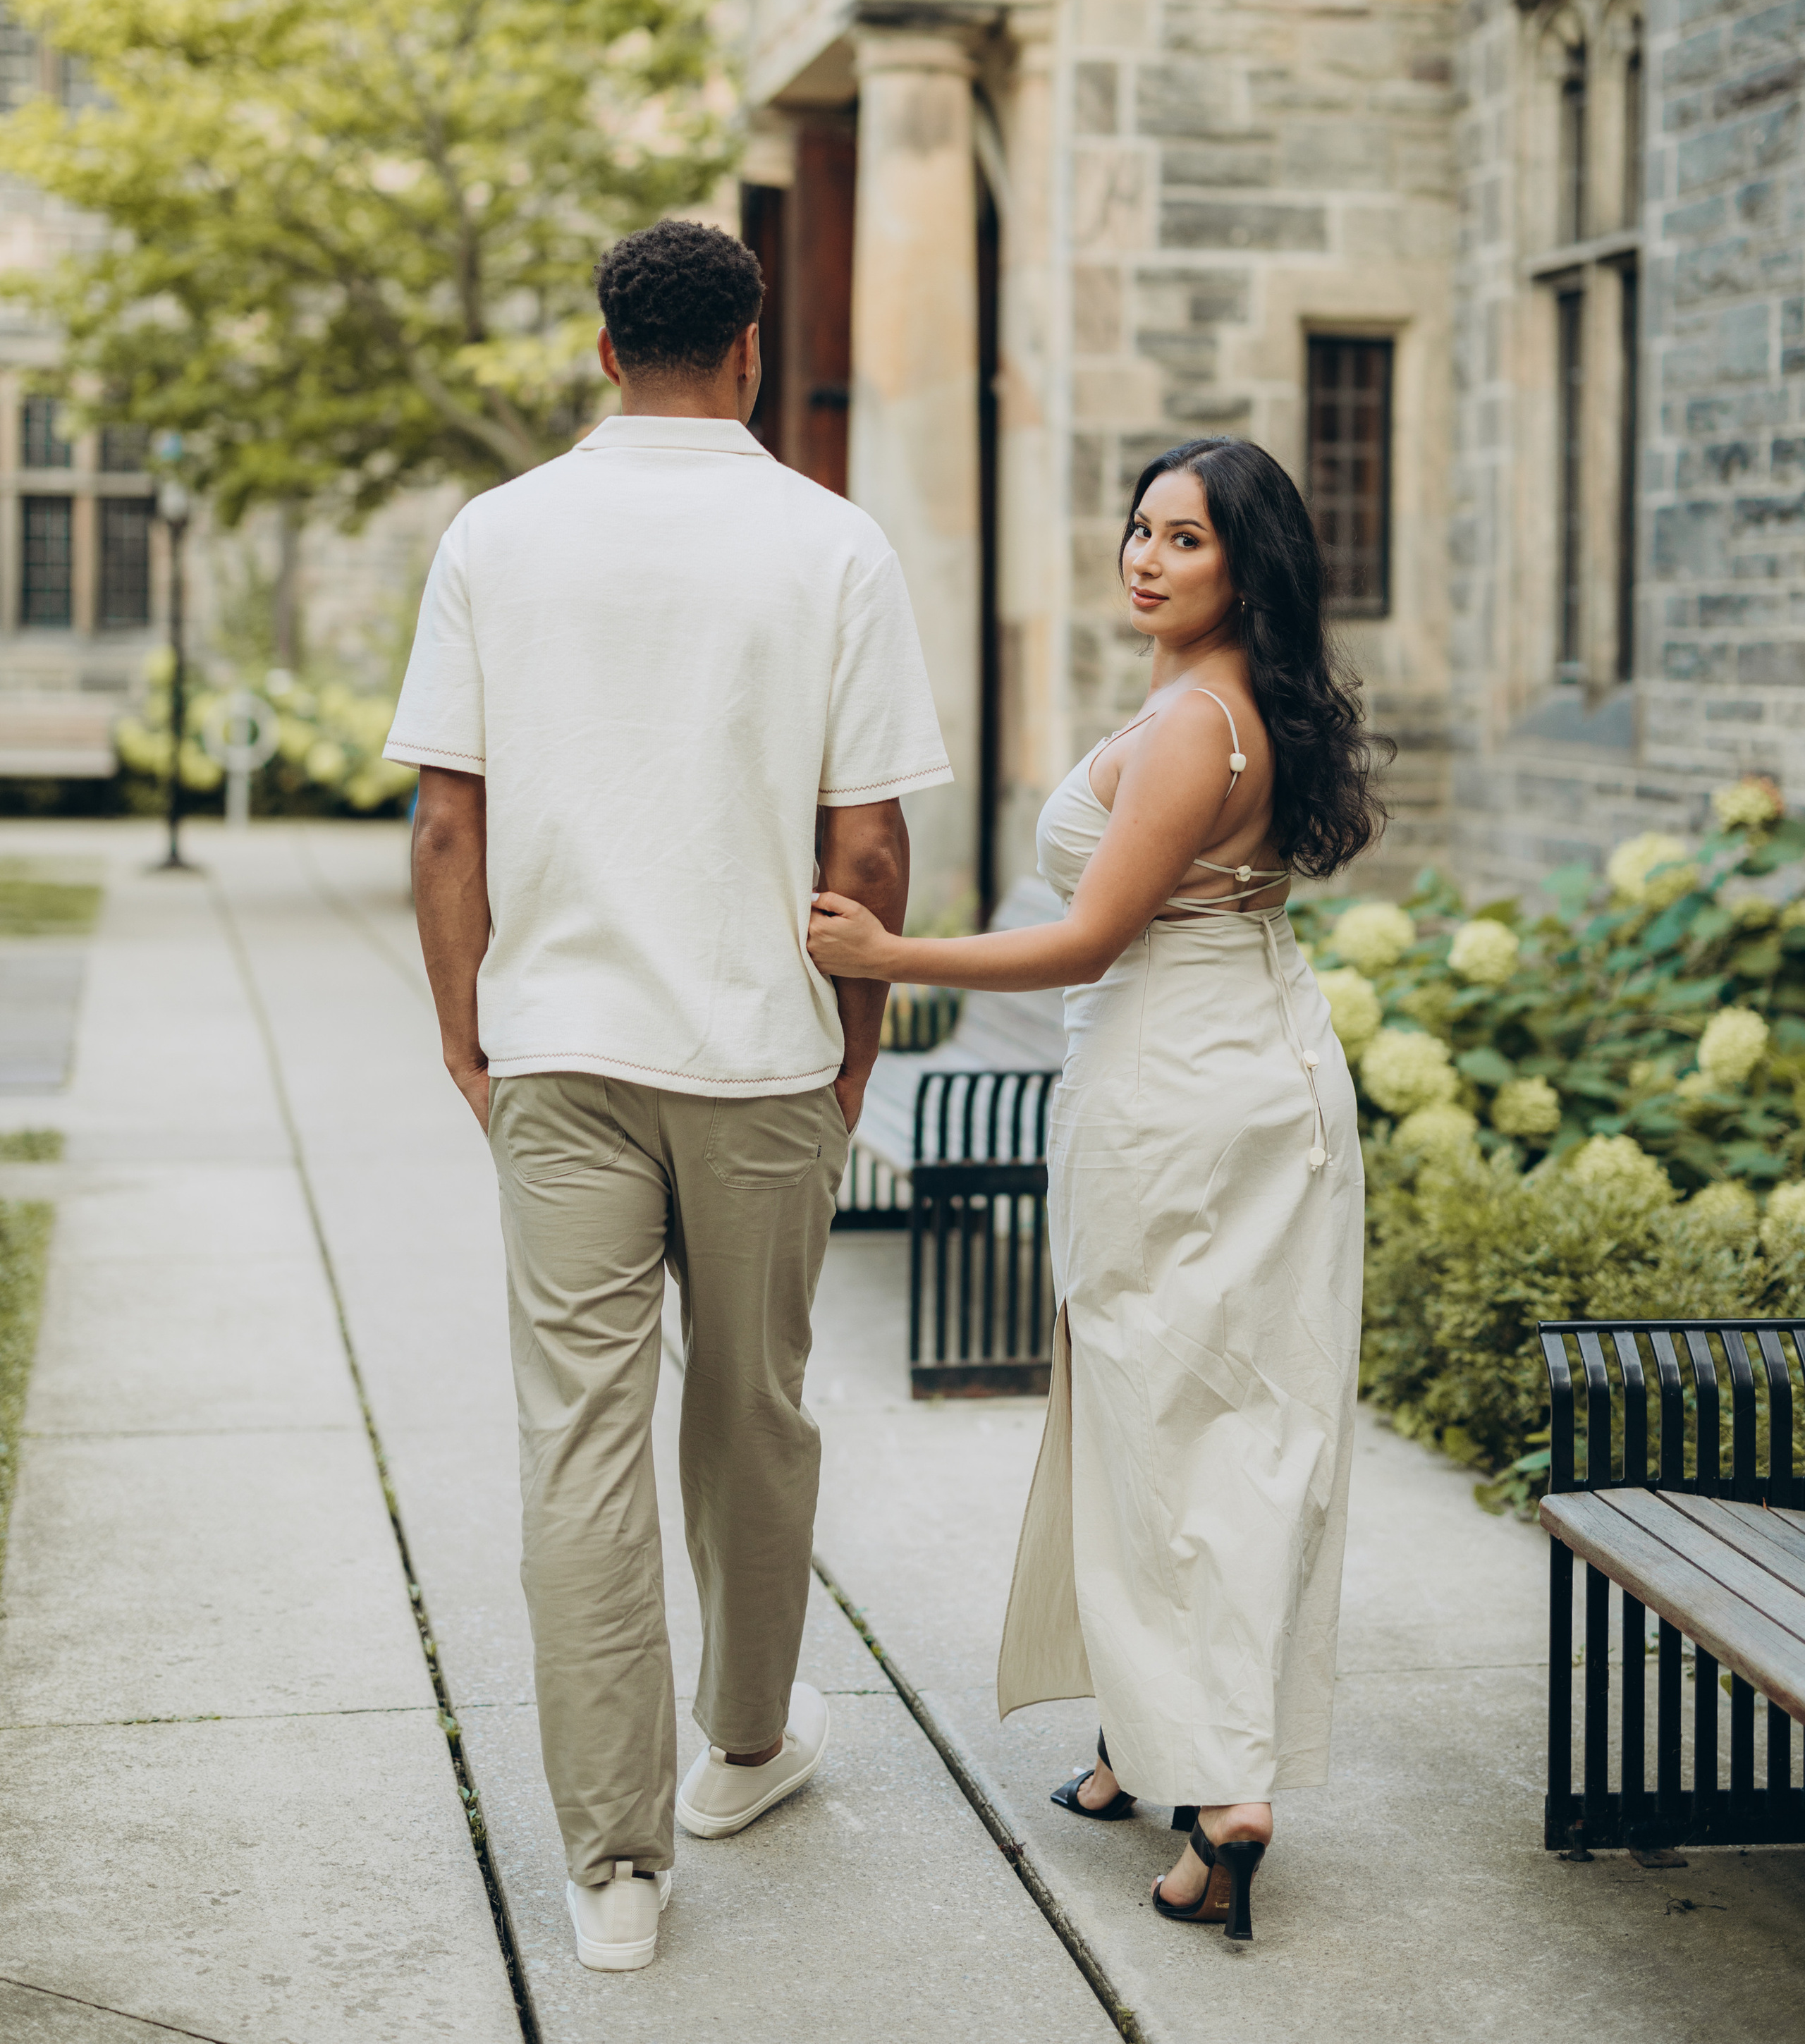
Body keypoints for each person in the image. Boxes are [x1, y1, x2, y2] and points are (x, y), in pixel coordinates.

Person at [386, 219, 951, 1976]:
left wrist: (468, 1037)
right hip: (761, 1052)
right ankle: (745, 1749)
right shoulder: (830, 541)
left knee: (579, 1443)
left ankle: (613, 1871)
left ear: (603, 348)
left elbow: (446, 825)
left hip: (557, 1054)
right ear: (750, 346)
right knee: (754, 1414)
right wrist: (853, 1048)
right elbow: (869, 845)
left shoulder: (496, 534)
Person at [808, 434, 1384, 1946]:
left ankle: (1225, 1793)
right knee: (1216, 1416)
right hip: (1251, 1068)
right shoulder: (1249, 704)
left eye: (1184, 538)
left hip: (1174, 1096)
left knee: (1173, 1432)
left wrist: (887, 957)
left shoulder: (1196, 723)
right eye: (1139, 527)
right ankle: (1145, 1739)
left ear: (1244, 566)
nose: (1144, 556)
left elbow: (1086, 940)